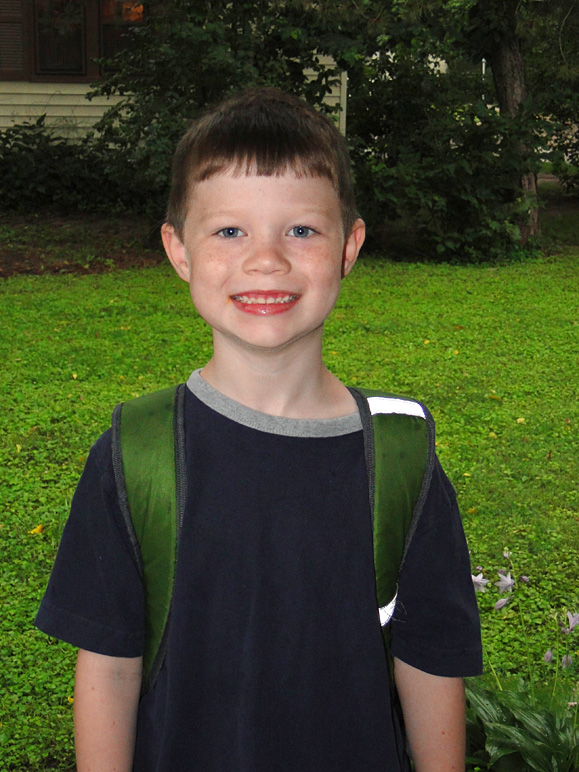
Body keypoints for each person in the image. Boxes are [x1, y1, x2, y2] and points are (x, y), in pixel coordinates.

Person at [35, 87, 482, 772]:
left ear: (347, 247)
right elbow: (109, 668)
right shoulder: (136, 452)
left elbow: (429, 661)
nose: (266, 259)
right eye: (229, 231)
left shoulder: (399, 457)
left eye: (300, 230)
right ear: (179, 251)